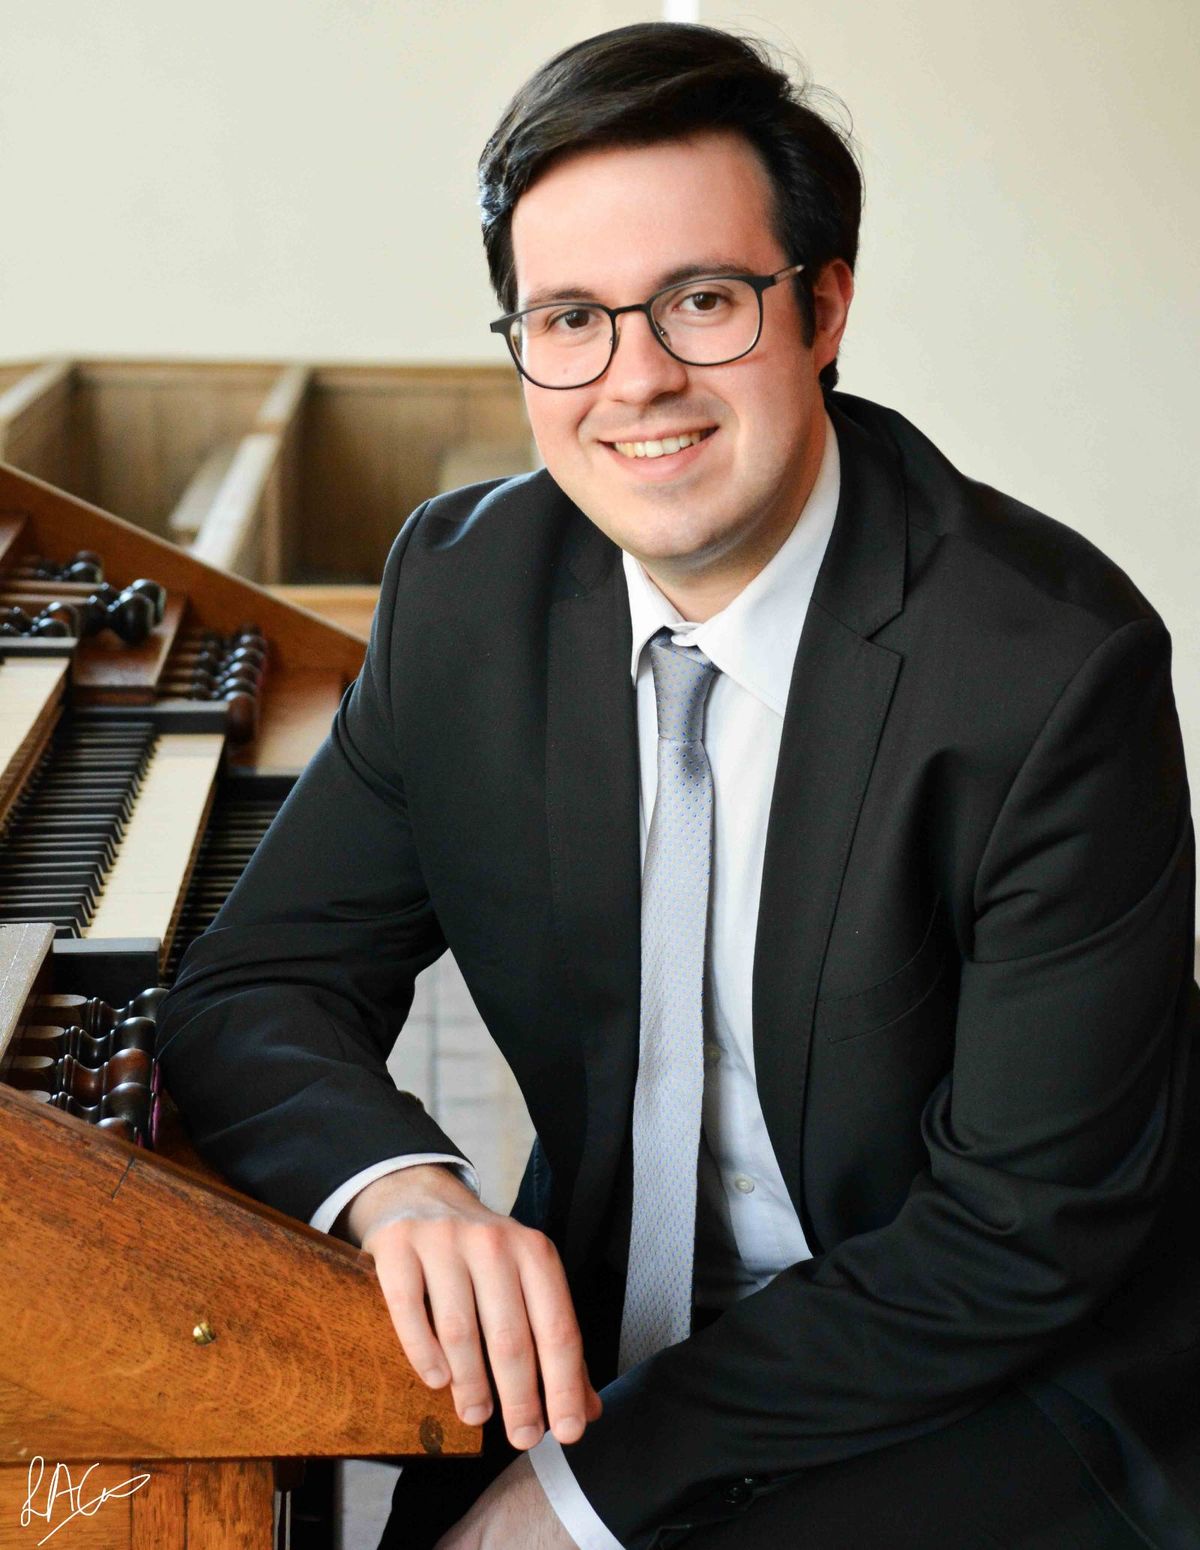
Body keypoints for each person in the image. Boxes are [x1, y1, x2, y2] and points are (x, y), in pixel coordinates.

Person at [156, 22, 1200, 1550]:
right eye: (570, 318)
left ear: (822, 307)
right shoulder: (468, 591)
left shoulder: (1053, 671)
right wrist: (405, 1187)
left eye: (702, 301)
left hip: (992, 1373)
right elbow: (258, 980)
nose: (636, 380)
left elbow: (1015, 1239)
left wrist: (583, 1491)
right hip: (616, 1319)